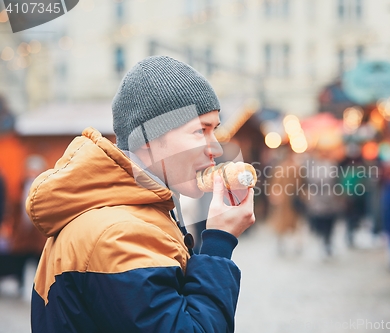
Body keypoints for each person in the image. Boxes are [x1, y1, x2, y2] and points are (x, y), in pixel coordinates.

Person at [28, 56, 255, 332]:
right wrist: (220, 241)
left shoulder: (137, 213)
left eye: (214, 130)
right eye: (200, 131)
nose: (216, 149)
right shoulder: (119, 233)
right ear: (150, 137)